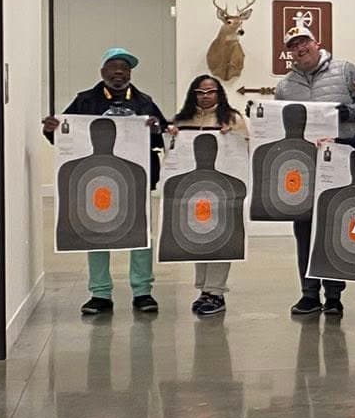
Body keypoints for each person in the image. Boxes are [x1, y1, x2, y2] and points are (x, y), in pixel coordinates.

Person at [44, 47, 166, 315]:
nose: (119, 73)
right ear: (102, 72)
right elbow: (65, 136)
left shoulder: (145, 102)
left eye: (124, 68)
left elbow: (161, 137)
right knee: (96, 233)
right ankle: (100, 294)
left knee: (140, 235)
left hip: (135, 179)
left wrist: (156, 128)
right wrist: (51, 129)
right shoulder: (85, 101)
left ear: (130, 73)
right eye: (113, 68)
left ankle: (142, 292)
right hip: (94, 179)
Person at [274, 27, 355, 319]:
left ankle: (334, 296)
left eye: (304, 42)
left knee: (334, 227)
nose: (300, 48)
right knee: (304, 230)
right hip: (302, 166)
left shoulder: (345, 70)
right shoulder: (285, 86)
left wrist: (348, 113)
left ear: (317, 43)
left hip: (338, 160)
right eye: (293, 45)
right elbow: (278, 124)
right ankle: (309, 294)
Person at [168, 73, 249, 318]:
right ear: (194, 94)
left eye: (211, 91)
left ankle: (216, 291)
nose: (205, 96)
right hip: (193, 190)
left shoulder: (232, 118)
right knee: (198, 236)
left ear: (219, 93)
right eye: (200, 92)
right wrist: (171, 135)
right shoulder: (181, 120)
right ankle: (204, 289)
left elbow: (246, 147)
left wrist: (232, 136)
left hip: (223, 190)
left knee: (221, 238)